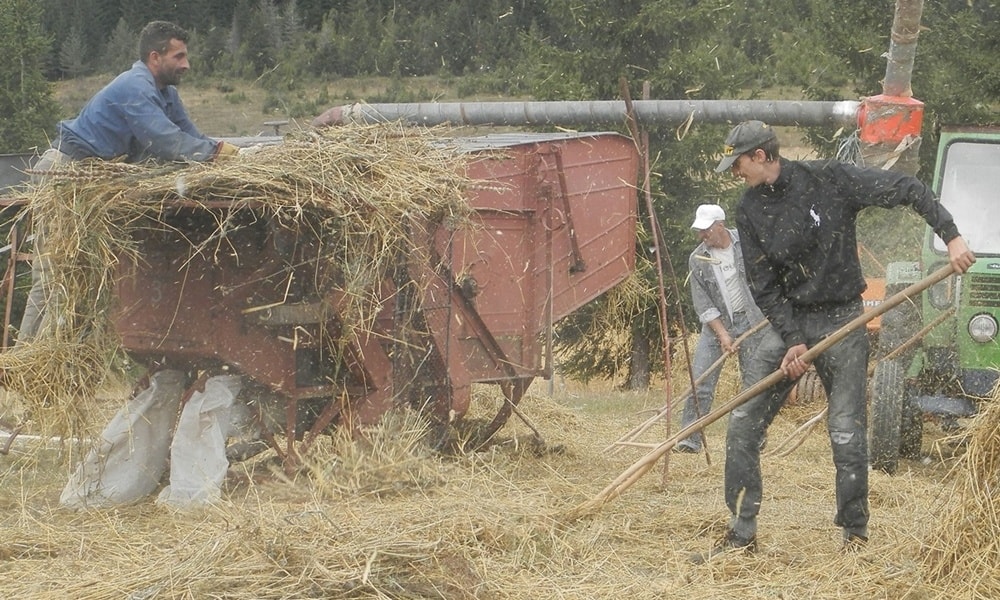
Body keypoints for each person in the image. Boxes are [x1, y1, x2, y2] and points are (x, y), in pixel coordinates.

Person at [699, 120, 976, 558]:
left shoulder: (829, 179)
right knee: (744, 424)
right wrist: (791, 339)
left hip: (842, 319)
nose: (735, 173)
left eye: (737, 164)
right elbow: (763, 283)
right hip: (789, 322)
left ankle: (854, 535)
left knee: (846, 432)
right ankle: (741, 532)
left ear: (760, 156)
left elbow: (906, 187)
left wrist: (952, 235)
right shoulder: (748, 209)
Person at [18, 20, 242, 343]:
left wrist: (224, 153)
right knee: (54, 274)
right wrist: (216, 153)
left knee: (84, 275)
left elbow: (189, 135)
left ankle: (56, 356)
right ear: (155, 57)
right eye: (178, 57)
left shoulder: (166, 94)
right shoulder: (135, 87)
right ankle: (24, 361)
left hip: (90, 179)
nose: (186, 65)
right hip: (63, 174)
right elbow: (166, 142)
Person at [676, 203, 774, 453]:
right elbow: (703, 302)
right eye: (699, 231)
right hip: (716, 324)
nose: (702, 236)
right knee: (701, 380)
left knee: (754, 382)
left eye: (706, 230)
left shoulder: (749, 243)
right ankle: (690, 438)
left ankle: (754, 436)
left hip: (753, 320)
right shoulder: (698, 259)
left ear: (721, 225)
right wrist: (723, 334)